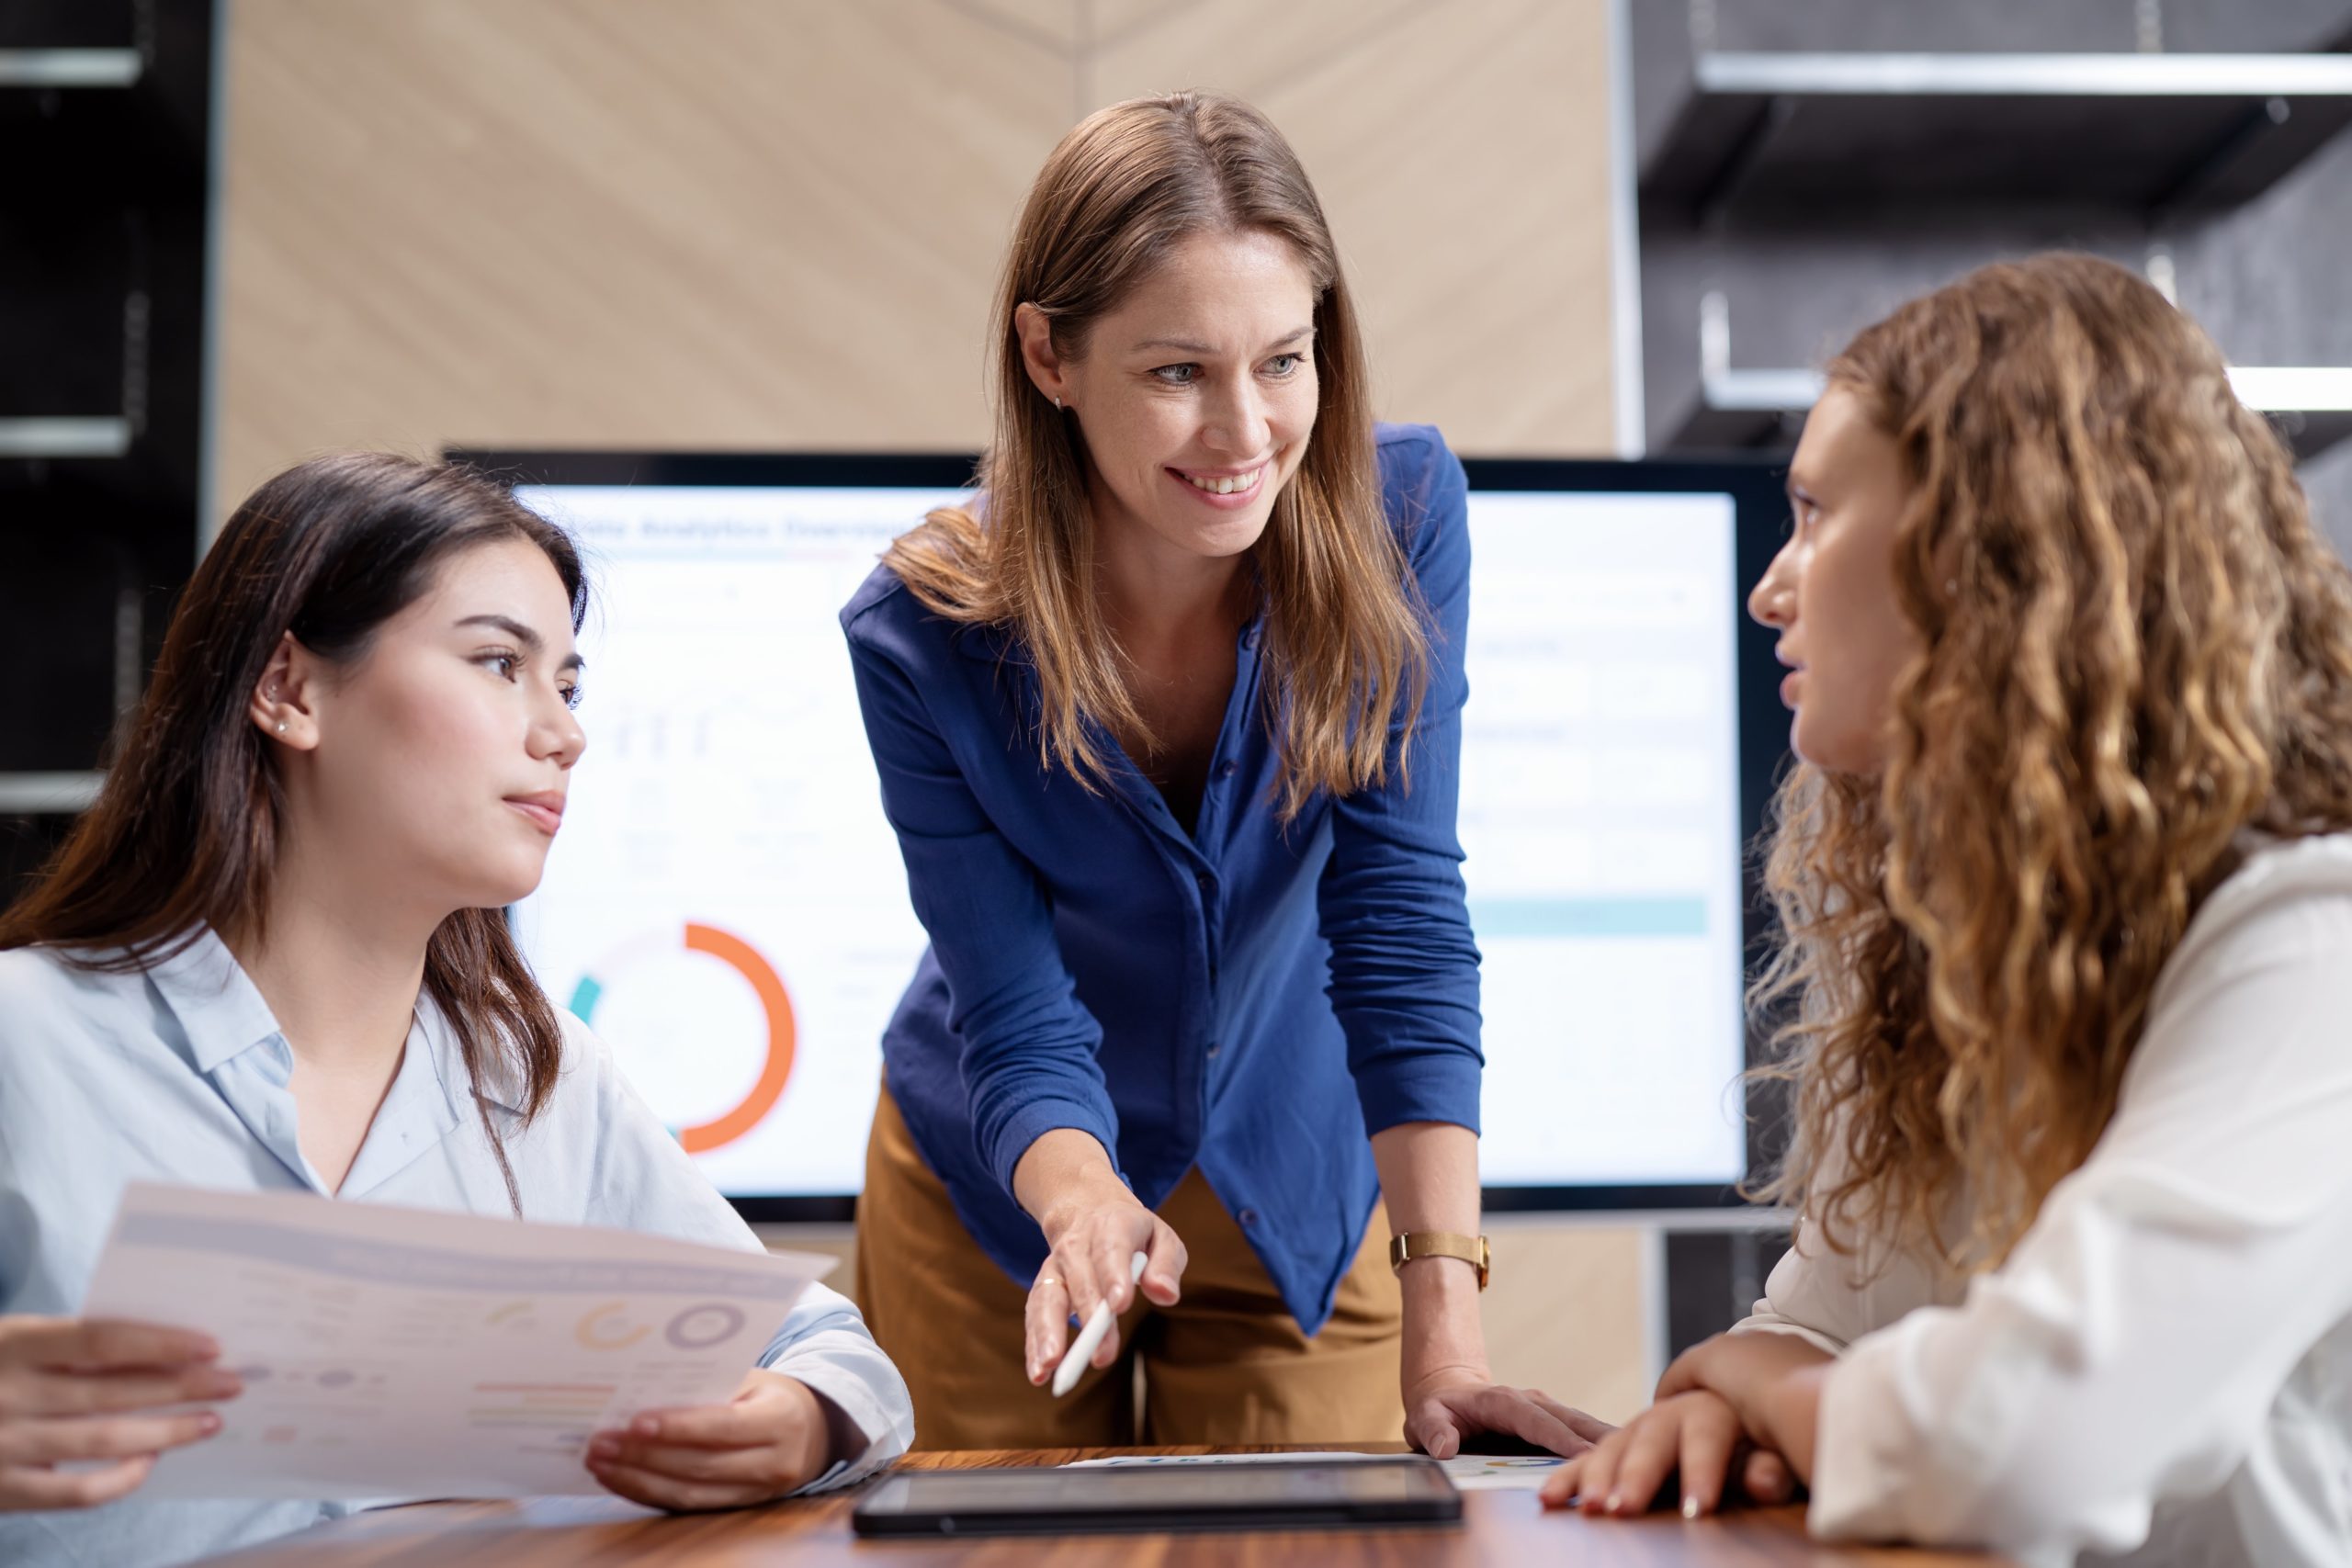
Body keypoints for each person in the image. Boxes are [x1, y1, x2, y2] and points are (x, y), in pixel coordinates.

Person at [1544, 254, 2352, 1567]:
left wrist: (1756, 1393)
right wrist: (1740, 1393)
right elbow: (1813, 1327)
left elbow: (2027, 1442)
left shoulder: (2315, 941)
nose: (1772, 586)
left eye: (1813, 515)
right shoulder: (1968, 948)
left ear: (1985, 559)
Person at [842, 91, 1603, 1454]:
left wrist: (1449, 1311)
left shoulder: (1402, 516)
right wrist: (1080, 1205)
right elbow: (1013, 1007)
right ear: (1050, 357)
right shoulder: (925, 630)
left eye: (1284, 360)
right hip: (1009, 1180)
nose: (1246, 430)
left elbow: (1401, 915)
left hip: (1296, 1169)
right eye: (1178, 370)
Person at [0, 454, 914, 1568]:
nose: (564, 733)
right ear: (289, 690)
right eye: (497, 663)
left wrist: (798, 1422)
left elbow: (828, 1350)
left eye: (566, 686)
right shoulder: (28, 1040)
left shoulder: (541, 1075)